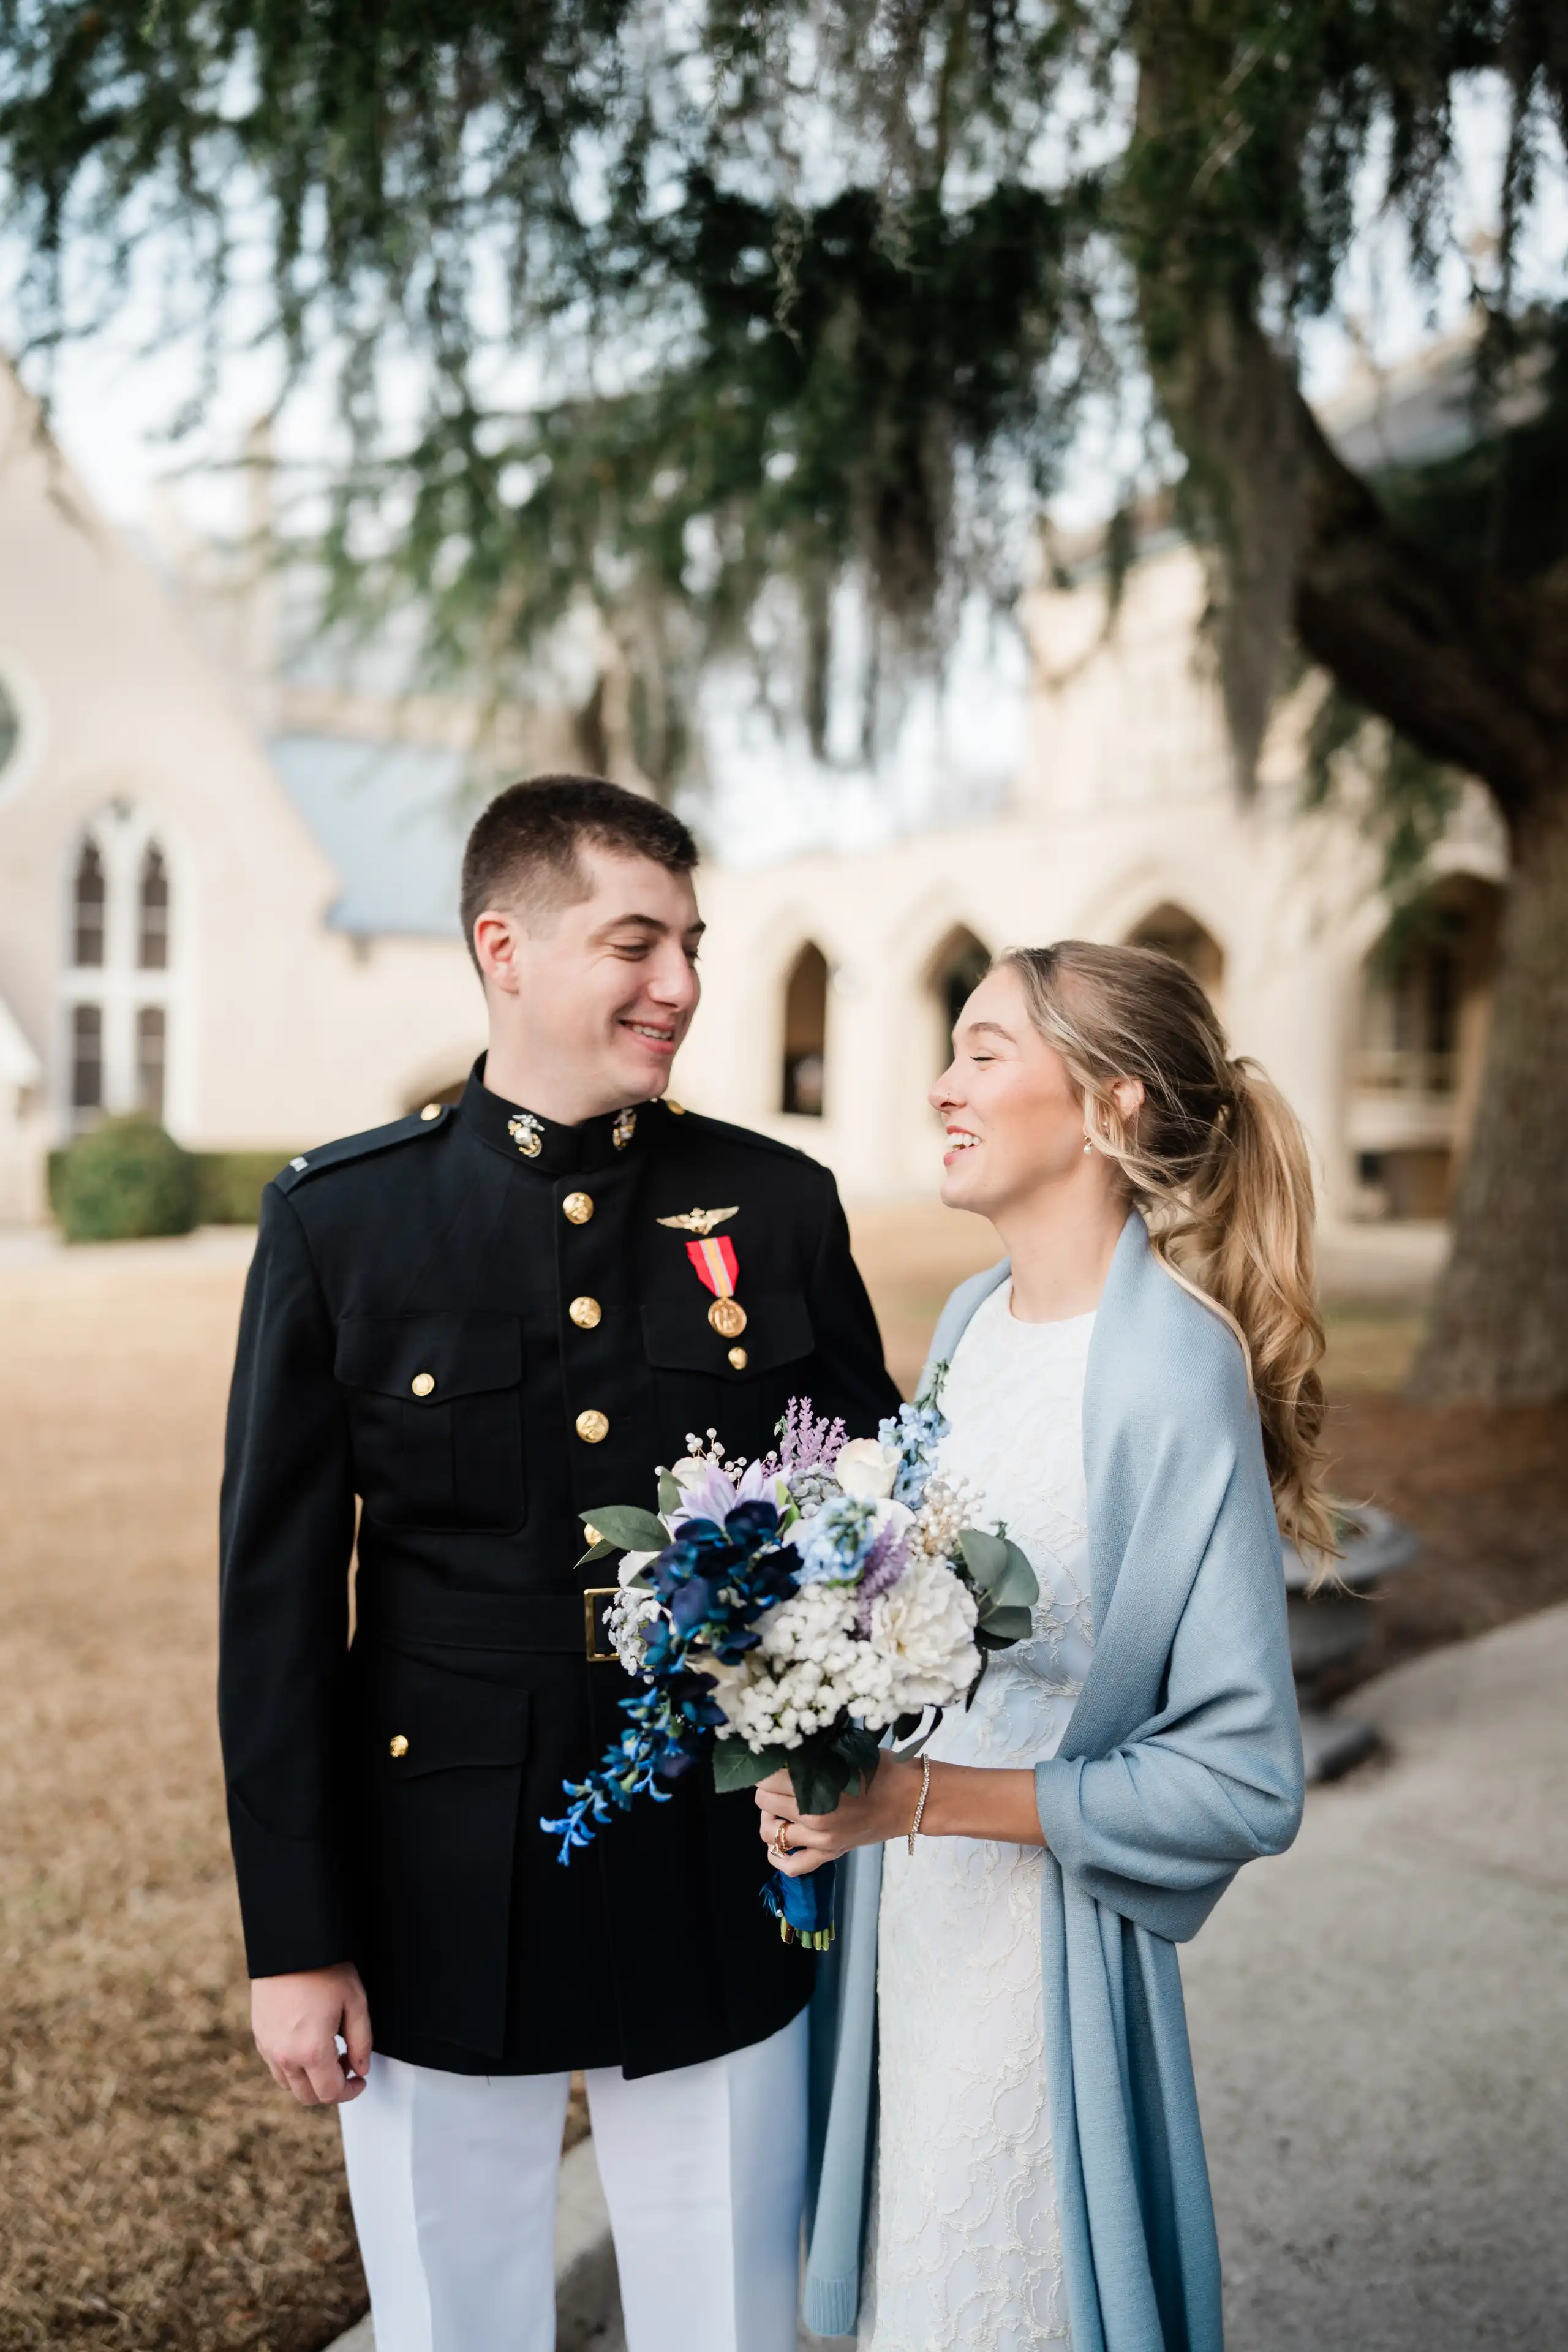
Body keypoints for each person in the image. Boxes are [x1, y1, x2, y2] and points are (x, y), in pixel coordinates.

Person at [217, 774, 900, 2352]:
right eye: (634, 942)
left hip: (716, 1859)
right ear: (503, 947)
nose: (679, 983)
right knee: (453, 2320)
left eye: (692, 944)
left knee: (726, 2316)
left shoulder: (777, 1206)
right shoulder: (343, 1222)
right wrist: (296, 1939)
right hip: (439, 1872)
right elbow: (275, 1611)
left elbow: (871, 1529)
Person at [759, 940, 1323, 2351]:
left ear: (1107, 1101)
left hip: (1034, 1966)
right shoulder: (969, 1323)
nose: (941, 1087)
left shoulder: (1170, 1369)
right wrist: (817, 1731)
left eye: (983, 1050)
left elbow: (1245, 1779)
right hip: (908, 1931)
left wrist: (920, 1802)